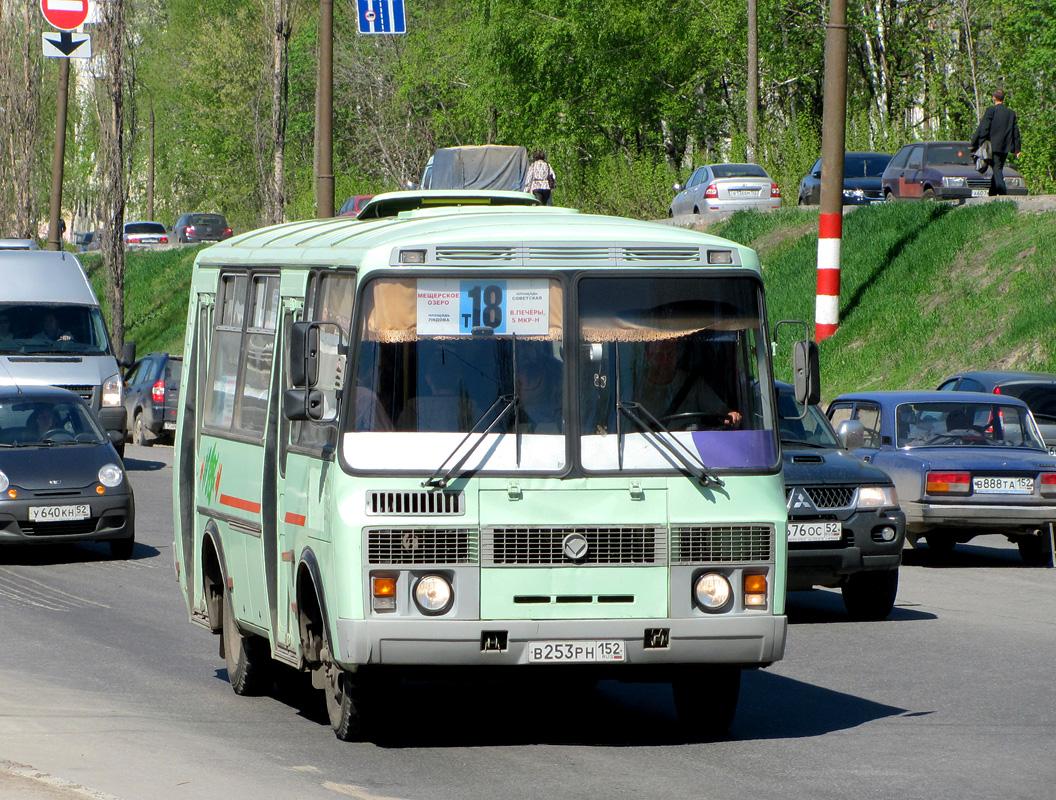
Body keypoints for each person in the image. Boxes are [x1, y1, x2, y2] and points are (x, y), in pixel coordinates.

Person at [634, 339, 741, 428]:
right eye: (659, 355)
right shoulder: (635, 389)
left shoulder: (693, 383)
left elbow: (717, 408)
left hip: (690, 448)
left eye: (670, 353)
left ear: (677, 353)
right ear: (647, 356)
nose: (666, 359)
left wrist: (730, 415)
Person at [971, 89, 1022, 196]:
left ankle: (1003, 194)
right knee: (997, 168)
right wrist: (1017, 148)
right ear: (1003, 99)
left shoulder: (991, 111)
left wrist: (978, 142)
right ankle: (992, 194)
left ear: (994, 98)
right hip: (1006, 147)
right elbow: (1015, 131)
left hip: (992, 147)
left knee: (997, 169)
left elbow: (984, 128)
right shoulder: (1010, 113)